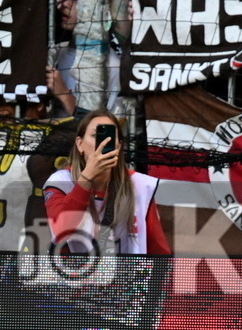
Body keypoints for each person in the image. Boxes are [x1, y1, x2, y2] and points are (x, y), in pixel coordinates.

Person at [43, 109, 171, 255]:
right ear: (80, 144)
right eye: (95, 136)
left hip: (126, 275)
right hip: (74, 275)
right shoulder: (61, 181)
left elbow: (158, 249)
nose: (102, 143)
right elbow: (61, 230)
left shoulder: (140, 185)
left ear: (119, 146)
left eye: (110, 137)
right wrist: (87, 177)